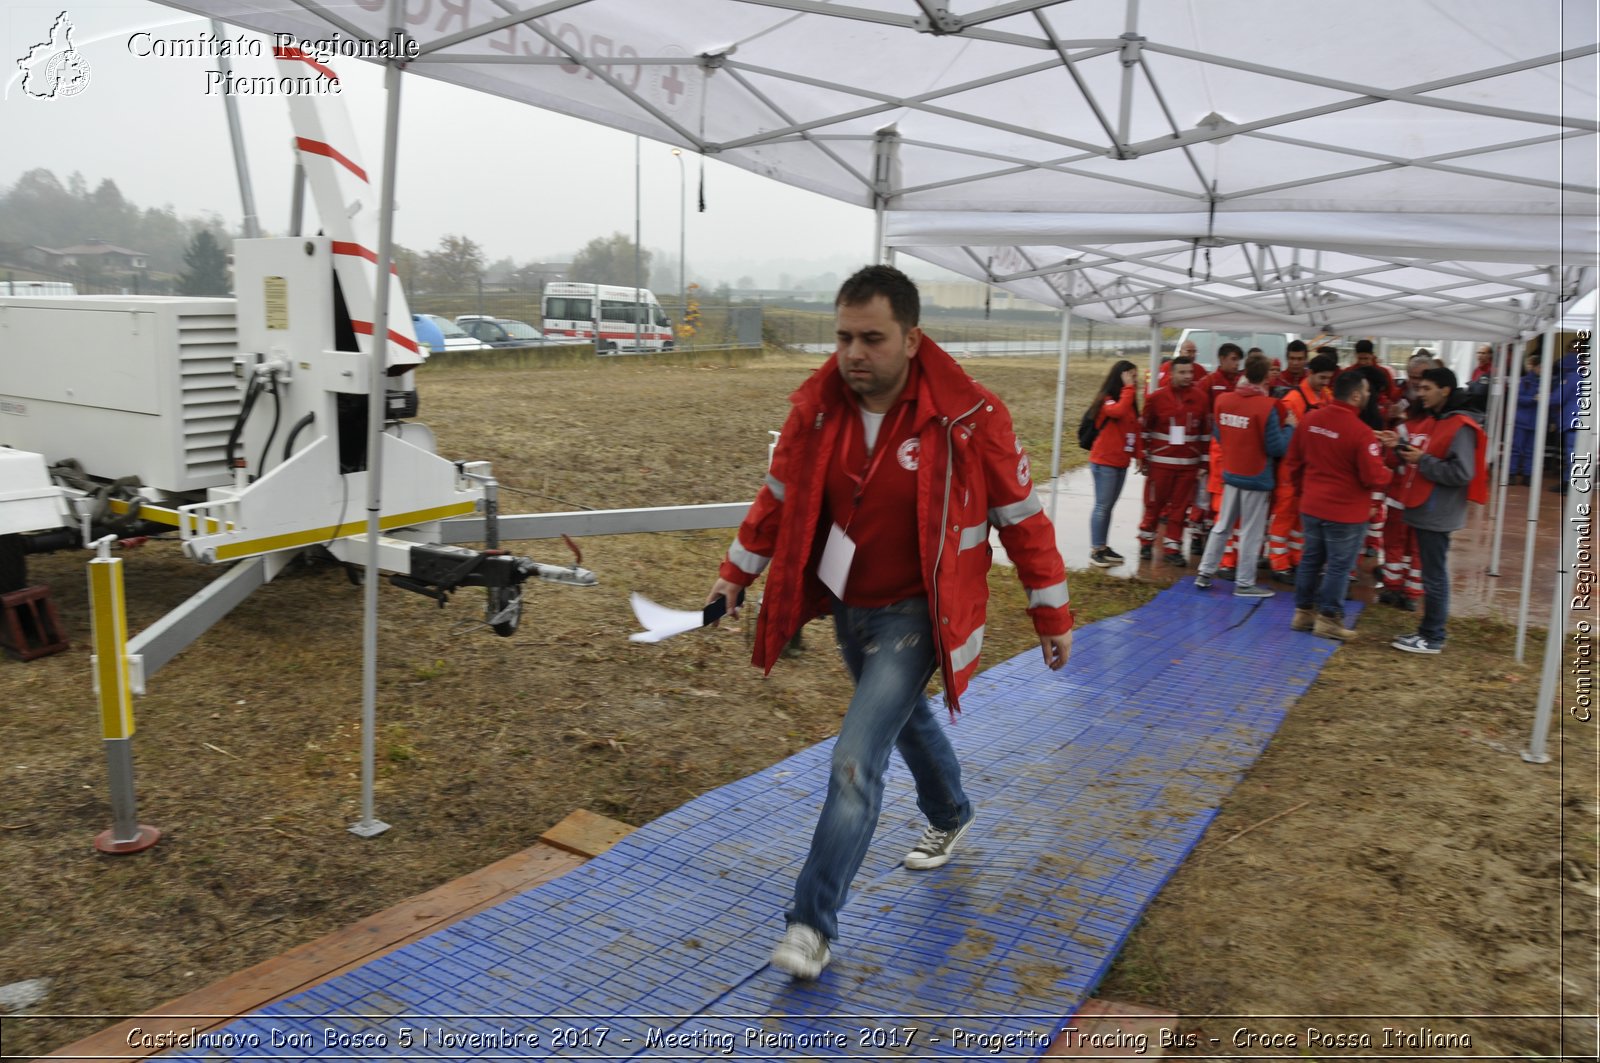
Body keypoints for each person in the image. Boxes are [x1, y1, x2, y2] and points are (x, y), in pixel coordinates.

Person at [708, 265, 1074, 980]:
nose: (853, 353)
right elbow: (776, 500)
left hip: (917, 615)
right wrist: (733, 576)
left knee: (855, 757)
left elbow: (1023, 520)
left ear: (912, 338)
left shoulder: (974, 417)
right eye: (844, 336)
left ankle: (811, 922)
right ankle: (953, 807)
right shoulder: (817, 409)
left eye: (872, 338)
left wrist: (1051, 612)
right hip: (850, 608)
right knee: (904, 722)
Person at [1378, 367, 1488, 653]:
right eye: (1420, 387)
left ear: (1445, 391)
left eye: (1427, 388)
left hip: (1436, 511)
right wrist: (1401, 446)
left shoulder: (1460, 425)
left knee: (1434, 575)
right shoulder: (1440, 420)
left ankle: (1432, 636)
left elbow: (1462, 472)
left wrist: (1423, 461)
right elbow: (1431, 456)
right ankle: (1429, 632)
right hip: (1427, 507)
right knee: (1432, 573)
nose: (1420, 393)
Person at [1280, 369, 1390, 640]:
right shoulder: (1361, 433)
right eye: (1365, 391)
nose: (1368, 396)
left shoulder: (1310, 420)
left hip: (1312, 505)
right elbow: (1373, 477)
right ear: (1355, 395)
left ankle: (1303, 612)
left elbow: (1293, 461)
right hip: (1346, 511)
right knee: (1339, 566)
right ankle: (1328, 618)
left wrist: (1303, 491)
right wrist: (1388, 468)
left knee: (1310, 559)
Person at [1194, 353, 1290, 597]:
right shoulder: (1268, 407)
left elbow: (1219, 434)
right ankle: (1245, 583)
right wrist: (1290, 427)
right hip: (1256, 477)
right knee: (1250, 531)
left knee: (1222, 525)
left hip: (1231, 472)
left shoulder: (1224, 401)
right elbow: (1276, 448)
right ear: (1266, 377)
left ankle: (1205, 572)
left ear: (1245, 372)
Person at [1266, 352, 1338, 582]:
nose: (1326, 383)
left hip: (1312, 469)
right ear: (1311, 374)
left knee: (1301, 518)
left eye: (1329, 379)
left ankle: (1296, 557)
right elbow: (1282, 435)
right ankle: (1278, 563)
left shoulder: (1326, 396)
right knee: (1285, 514)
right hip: (1292, 467)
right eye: (1322, 378)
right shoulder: (1293, 400)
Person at [1376, 352, 1439, 611]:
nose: (1415, 385)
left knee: (1411, 544)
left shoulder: (1429, 423)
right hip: (1405, 494)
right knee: (1400, 542)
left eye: (1421, 381)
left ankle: (1405, 590)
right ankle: (1399, 588)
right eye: (1412, 379)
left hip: (1417, 493)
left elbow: (1392, 459)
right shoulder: (1409, 411)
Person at [1137, 355, 1209, 566]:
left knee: (1180, 509)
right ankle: (1146, 543)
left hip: (1188, 466)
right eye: (1182, 372)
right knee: (1154, 506)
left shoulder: (1201, 398)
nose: (1188, 376)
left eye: (1190, 373)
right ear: (1171, 374)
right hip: (1161, 464)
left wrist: (1204, 464)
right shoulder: (1156, 398)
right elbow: (1143, 430)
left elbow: (1205, 434)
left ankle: (1173, 548)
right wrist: (1142, 457)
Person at [1086, 360, 1141, 567]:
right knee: (1102, 505)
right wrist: (1128, 388)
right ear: (1121, 377)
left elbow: (1134, 428)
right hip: (1105, 461)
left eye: (1135, 377)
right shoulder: (1107, 400)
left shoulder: (1129, 400)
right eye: (1131, 376)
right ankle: (1096, 549)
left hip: (1121, 462)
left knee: (1108, 506)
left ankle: (1103, 546)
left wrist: (1138, 456)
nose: (1135, 381)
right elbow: (1117, 412)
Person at [1508, 351, 1547, 486]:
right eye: (1540, 367)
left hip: (1535, 421)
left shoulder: (1546, 382)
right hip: (1522, 420)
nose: (1542, 370)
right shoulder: (1524, 381)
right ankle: (1511, 473)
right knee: (1516, 448)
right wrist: (1533, 399)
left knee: (1531, 450)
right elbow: (1517, 398)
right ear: (1535, 367)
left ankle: (1528, 474)